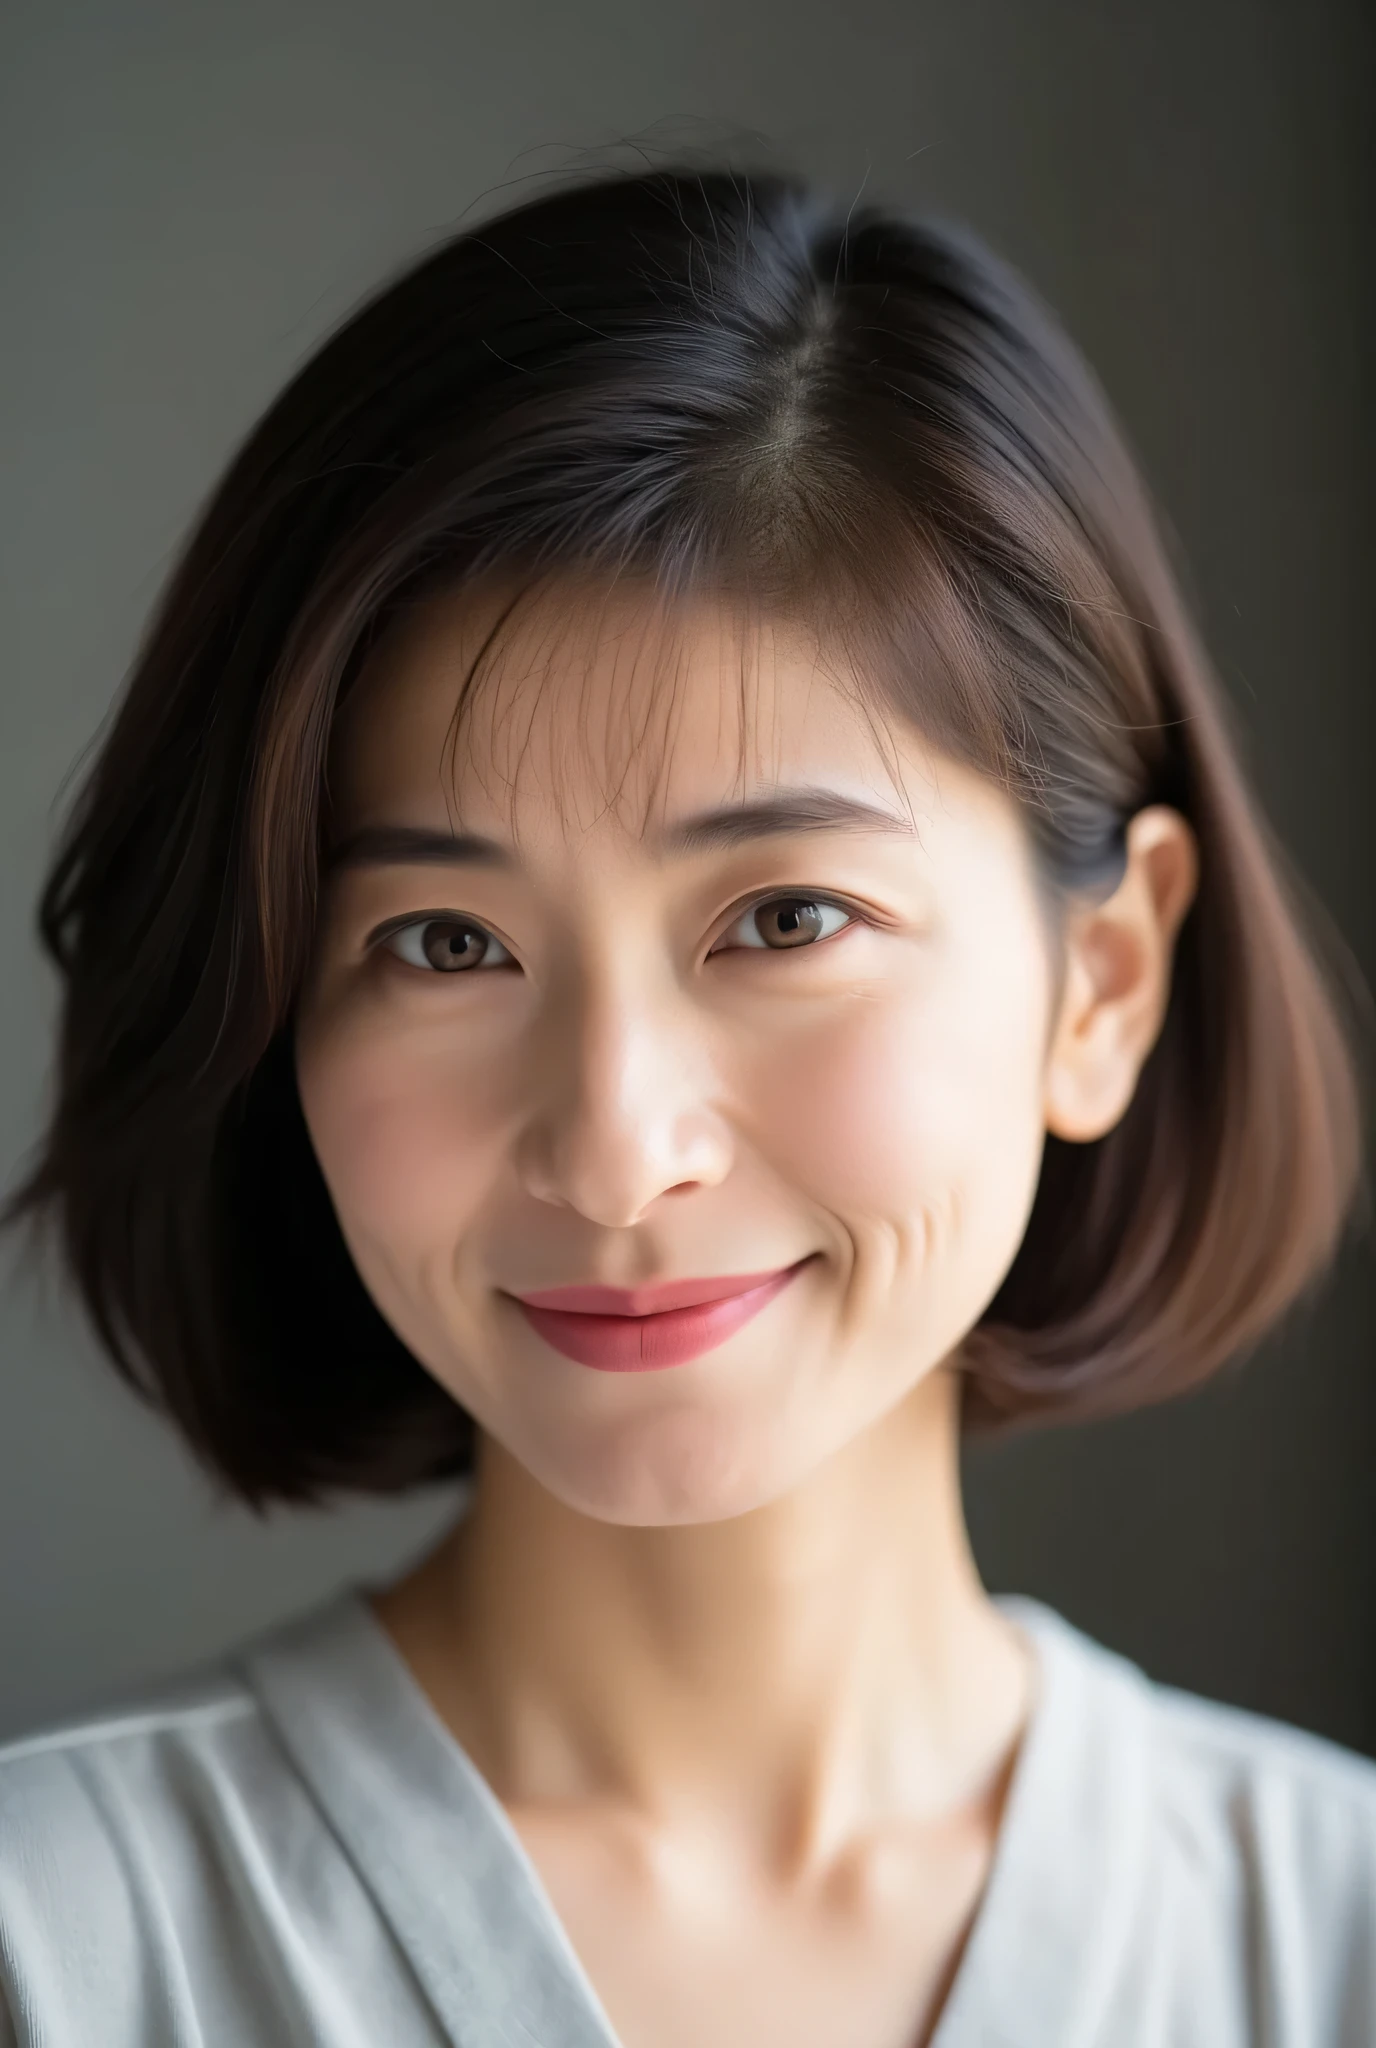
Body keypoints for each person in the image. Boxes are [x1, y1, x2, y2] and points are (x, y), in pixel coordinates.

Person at [0, 166, 1371, 2048]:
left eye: (787, 918)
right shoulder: (54, 1951)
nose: (616, 1144)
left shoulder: (1334, 1939)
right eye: (443, 944)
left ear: (1104, 982)